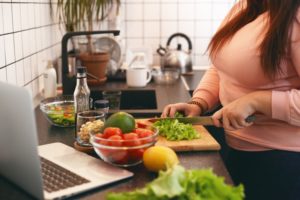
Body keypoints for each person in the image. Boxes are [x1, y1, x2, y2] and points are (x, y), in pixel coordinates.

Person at [162, 1, 300, 200]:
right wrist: (199, 102)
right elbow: (221, 67)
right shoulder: (245, 6)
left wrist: (257, 101)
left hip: (282, 162)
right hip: (234, 151)